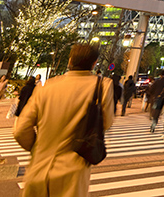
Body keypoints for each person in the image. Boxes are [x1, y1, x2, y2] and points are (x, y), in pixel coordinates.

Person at [13, 43, 114, 197]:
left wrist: (38, 149)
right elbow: (106, 123)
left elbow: (20, 130)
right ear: (94, 63)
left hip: (38, 168)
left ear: (70, 61)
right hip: (72, 172)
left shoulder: (45, 87)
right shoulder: (102, 87)